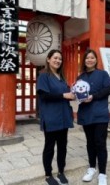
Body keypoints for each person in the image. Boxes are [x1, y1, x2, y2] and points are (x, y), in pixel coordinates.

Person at [37, 49, 75, 185]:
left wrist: (73, 94)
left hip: (64, 116)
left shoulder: (62, 78)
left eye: (60, 59)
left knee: (63, 146)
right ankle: (48, 174)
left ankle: (61, 171)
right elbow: (44, 95)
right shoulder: (43, 76)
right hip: (51, 117)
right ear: (48, 59)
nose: (58, 60)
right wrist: (63, 95)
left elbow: (67, 94)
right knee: (49, 147)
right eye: (55, 58)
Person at [77, 49, 110, 185]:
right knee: (90, 142)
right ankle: (92, 168)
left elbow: (107, 89)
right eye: (87, 58)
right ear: (84, 61)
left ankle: (102, 173)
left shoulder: (103, 74)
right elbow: (78, 93)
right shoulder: (80, 77)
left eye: (92, 58)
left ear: (96, 60)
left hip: (100, 114)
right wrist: (77, 97)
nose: (90, 60)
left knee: (100, 142)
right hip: (86, 113)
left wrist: (93, 96)